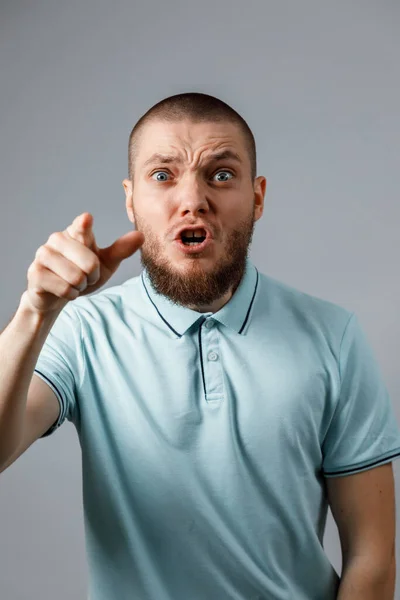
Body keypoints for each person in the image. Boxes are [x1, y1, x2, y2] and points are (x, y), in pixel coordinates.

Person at [1, 92, 399, 600]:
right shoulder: (82, 329)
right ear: (130, 199)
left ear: (258, 197)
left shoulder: (334, 336)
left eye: (221, 174)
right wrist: (35, 313)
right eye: (163, 175)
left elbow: (373, 556)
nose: (193, 199)